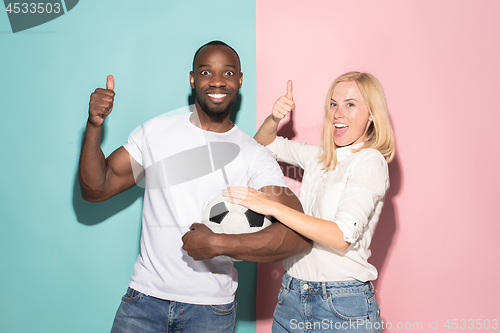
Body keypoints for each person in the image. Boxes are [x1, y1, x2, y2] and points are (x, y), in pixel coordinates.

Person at [78, 40, 310, 333]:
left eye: (227, 73)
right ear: (192, 79)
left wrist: (220, 244)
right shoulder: (156, 133)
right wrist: (94, 125)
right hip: (143, 302)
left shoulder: (254, 156)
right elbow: (96, 189)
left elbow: (298, 234)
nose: (216, 81)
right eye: (205, 72)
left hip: (210, 311)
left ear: (240, 80)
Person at [223, 72, 395, 332]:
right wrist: (275, 117)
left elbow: (340, 237)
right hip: (291, 296)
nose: (338, 113)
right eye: (334, 104)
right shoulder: (320, 157)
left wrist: (270, 207)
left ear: (372, 114)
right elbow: (262, 145)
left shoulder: (369, 161)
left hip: (341, 303)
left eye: (350, 104)